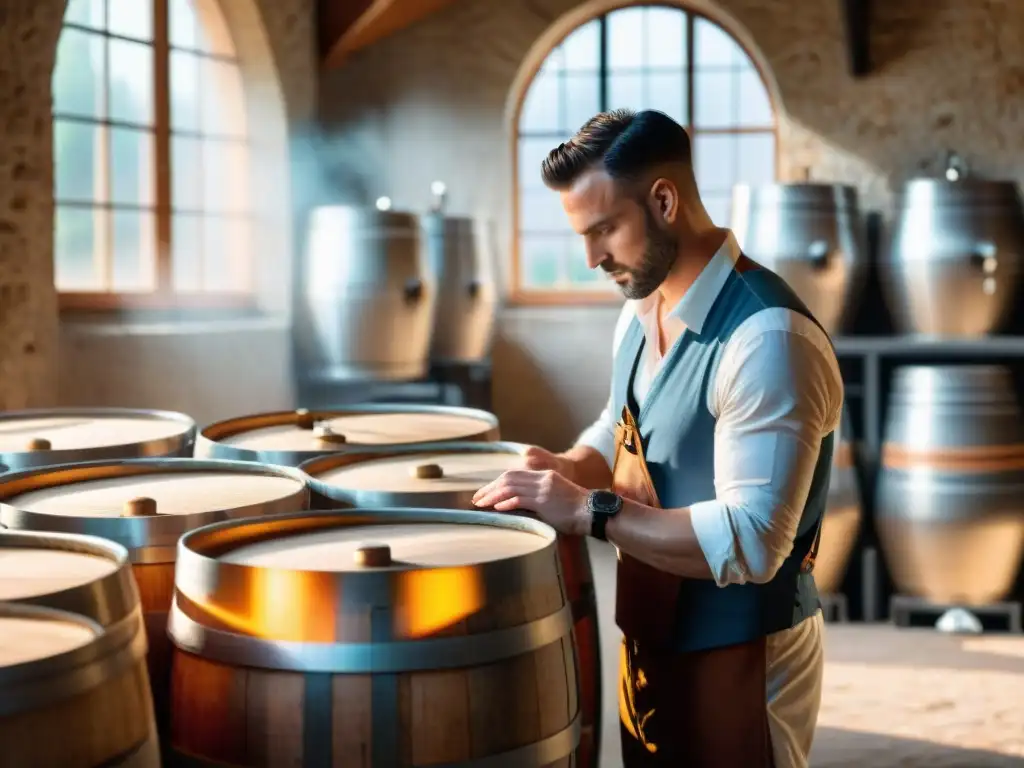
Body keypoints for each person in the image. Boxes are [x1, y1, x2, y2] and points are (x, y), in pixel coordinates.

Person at [472, 109, 843, 768]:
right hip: (648, 631)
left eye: (604, 229)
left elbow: (753, 541)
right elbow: (623, 421)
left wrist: (587, 509)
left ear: (665, 201)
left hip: (743, 652)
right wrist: (572, 463)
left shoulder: (767, 338)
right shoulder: (641, 311)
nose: (591, 258)